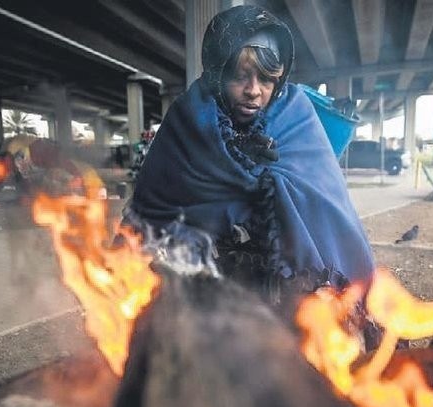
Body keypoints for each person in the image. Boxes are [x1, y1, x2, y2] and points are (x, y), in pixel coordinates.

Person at [124, 5, 374, 304]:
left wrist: (261, 175)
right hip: (203, 287)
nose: (253, 90)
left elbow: (325, 206)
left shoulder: (296, 115)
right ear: (216, 73)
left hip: (284, 285)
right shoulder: (187, 118)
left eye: (267, 79)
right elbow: (152, 208)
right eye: (239, 76)